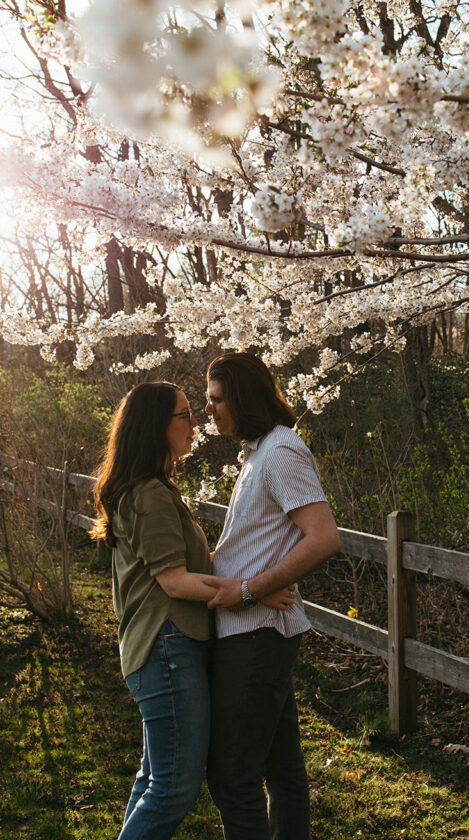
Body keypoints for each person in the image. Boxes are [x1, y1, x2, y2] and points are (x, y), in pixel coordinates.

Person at [91, 380, 294, 840]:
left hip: (164, 648)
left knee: (154, 779)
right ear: (155, 426)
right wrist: (253, 589)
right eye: (185, 415)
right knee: (173, 789)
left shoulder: (151, 488)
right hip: (167, 650)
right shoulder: (148, 494)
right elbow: (175, 581)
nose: (195, 423)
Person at [201, 352, 341, 840]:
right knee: (283, 770)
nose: (210, 410)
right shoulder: (260, 453)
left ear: (241, 397)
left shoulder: (281, 451)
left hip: (256, 635)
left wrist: (249, 589)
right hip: (253, 631)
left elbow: (323, 538)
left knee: (233, 775)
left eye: (216, 400)